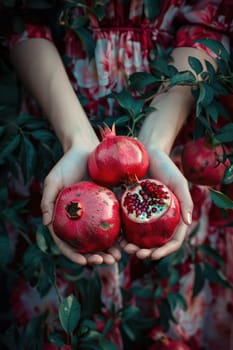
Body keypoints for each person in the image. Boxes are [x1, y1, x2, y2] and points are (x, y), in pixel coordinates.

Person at [1, 1, 233, 349]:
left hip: (175, 128)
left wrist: (155, 143)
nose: (133, 191)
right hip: (52, 126)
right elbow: (17, 18)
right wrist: (76, 139)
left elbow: (211, 24)